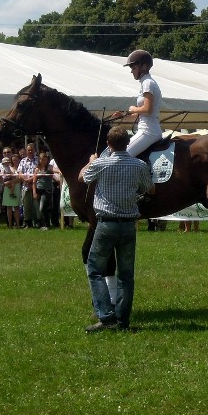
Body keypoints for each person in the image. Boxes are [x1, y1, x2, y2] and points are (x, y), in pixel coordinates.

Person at [79, 125, 154, 333]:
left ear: (108, 144)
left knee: (94, 269)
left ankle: (105, 315)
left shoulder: (101, 163)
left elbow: (81, 178)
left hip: (105, 224)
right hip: (129, 225)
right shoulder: (138, 164)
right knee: (126, 275)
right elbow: (151, 189)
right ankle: (123, 322)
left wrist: (91, 162)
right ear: (128, 143)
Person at [116, 49, 163, 157]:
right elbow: (140, 114)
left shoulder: (148, 83)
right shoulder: (145, 83)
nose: (131, 71)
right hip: (145, 128)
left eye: (133, 67)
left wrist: (133, 108)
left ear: (144, 66)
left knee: (121, 156)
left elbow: (147, 110)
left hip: (148, 131)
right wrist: (122, 117)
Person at [33, 151, 54, 230]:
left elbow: (55, 170)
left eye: (45, 159)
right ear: (39, 160)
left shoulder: (49, 167)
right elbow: (34, 182)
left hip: (47, 190)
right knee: (40, 209)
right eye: (42, 159)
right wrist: (34, 192)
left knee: (42, 208)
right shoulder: (37, 169)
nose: (43, 161)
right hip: (38, 190)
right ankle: (43, 224)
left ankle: (47, 225)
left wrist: (60, 172)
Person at [0, 156, 20, 228]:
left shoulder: (19, 168)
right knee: (9, 207)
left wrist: (10, 181)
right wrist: (5, 183)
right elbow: (2, 178)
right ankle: (10, 224)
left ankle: (18, 224)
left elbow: (18, 178)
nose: (14, 161)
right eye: (13, 160)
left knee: (16, 206)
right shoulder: (5, 168)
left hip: (16, 187)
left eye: (16, 160)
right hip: (7, 188)